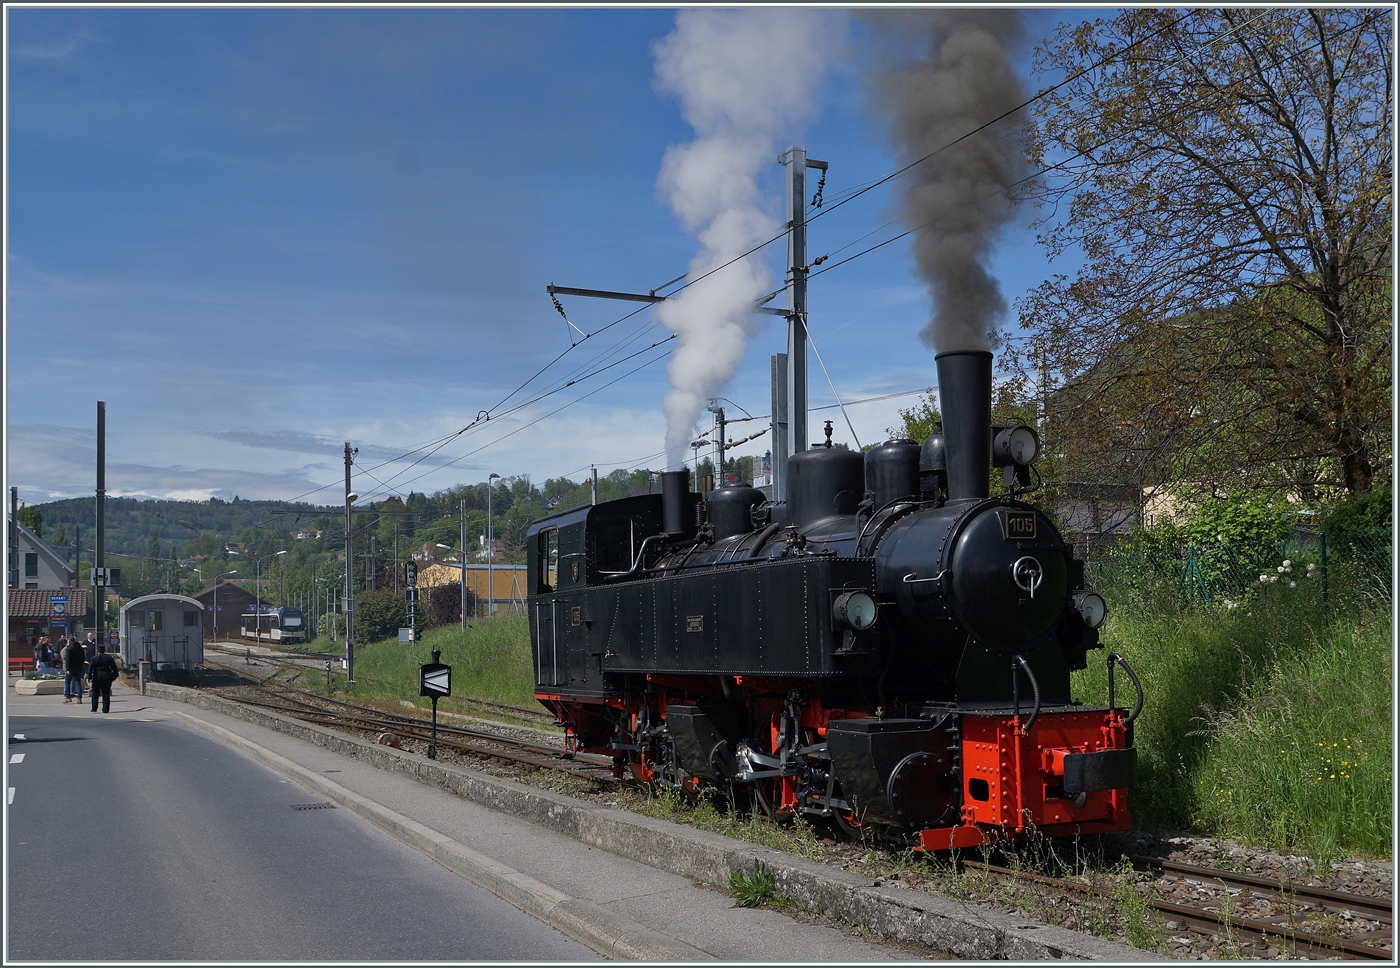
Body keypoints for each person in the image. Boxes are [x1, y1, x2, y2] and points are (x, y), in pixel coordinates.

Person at [87, 646, 119, 714]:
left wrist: (89, 677)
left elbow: (90, 668)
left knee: (95, 693)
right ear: (104, 650)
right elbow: (114, 667)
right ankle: (105, 709)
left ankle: (94, 708)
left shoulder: (94, 658)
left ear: (97, 650)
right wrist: (116, 675)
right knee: (106, 693)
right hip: (106, 677)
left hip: (96, 678)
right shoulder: (108, 658)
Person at [61, 636, 86, 704]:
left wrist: (68, 669)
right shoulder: (80, 648)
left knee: (67, 682)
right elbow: (83, 658)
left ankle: (68, 697)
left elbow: (68, 660)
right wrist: (80, 666)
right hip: (78, 668)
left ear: (69, 641)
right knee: (78, 682)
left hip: (71, 669)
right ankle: (79, 698)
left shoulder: (69, 649)